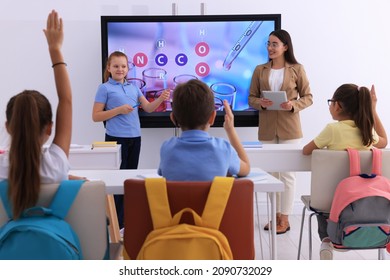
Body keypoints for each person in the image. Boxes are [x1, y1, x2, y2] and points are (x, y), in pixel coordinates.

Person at [0, 10, 73, 219]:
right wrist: (55, 49)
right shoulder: (56, 167)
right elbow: (66, 100)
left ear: (8, 126)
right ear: (49, 128)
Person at [302, 83, 387, 260]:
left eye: (331, 102)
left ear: (338, 105)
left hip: (331, 203)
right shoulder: (368, 132)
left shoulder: (332, 130)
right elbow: (384, 142)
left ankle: (326, 240)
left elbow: (306, 150)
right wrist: (373, 109)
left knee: (323, 205)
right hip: (363, 204)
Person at [92, 51, 170, 229]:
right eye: (116, 66)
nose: (120, 69)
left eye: (123, 66)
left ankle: (124, 222)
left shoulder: (134, 88)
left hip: (135, 138)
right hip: (115, 139)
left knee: (128, 180)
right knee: (116, 180)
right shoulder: (104, 88)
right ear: (109, 68)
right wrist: (118, 110)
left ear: (128, 69)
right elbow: (96, 116)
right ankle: (116, 223)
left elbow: (149, 108)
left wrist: (161, 99)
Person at [248, 29, 313, 234]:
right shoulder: (260, 70)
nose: (270, 47)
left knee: (287, 174)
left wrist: (293, 104)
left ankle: (284, 218)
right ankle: (275, 216)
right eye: (268, 43)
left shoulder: (296, 69)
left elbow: (309, 97)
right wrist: (262, 103)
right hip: (267, 129)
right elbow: (251, 98)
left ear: (285, 46)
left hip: (289, 128)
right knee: (271, 174)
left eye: (274, 44)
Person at [158, 79, 250, 181]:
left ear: (173, 118)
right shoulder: (223, 149)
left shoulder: (167, 148)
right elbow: (246, 168)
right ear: (212, 117)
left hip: (177, 198)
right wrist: (230, 129)